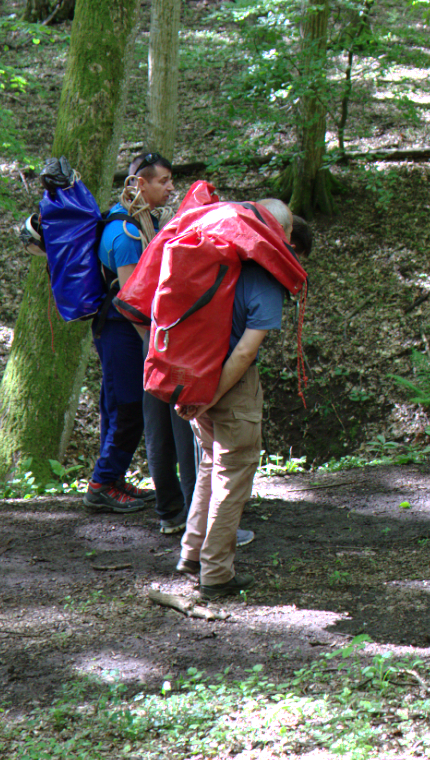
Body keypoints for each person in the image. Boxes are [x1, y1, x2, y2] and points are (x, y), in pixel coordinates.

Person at [174, 199, 295, 599]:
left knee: (210, 466)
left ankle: (192, 553)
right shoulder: (264, 277)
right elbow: (244, 352)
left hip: (196, 377)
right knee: (232, 476)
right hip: (231, 389)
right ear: (278, 233)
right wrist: (211, 397)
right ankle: (216, 572)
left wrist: (201, 394)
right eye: (288, 233)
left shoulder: (215, 263)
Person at [83, 152, 175, 514]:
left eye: (170, 180)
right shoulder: (126, 234)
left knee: (116, 406)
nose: (170, 187)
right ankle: (101, 485)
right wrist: (151, 342)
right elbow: (131, 299)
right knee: (128, 408)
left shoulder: (138, 221)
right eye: (163, 181)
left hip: (118, 329)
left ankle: (113, 478)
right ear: (140, 184)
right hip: (121, 331)